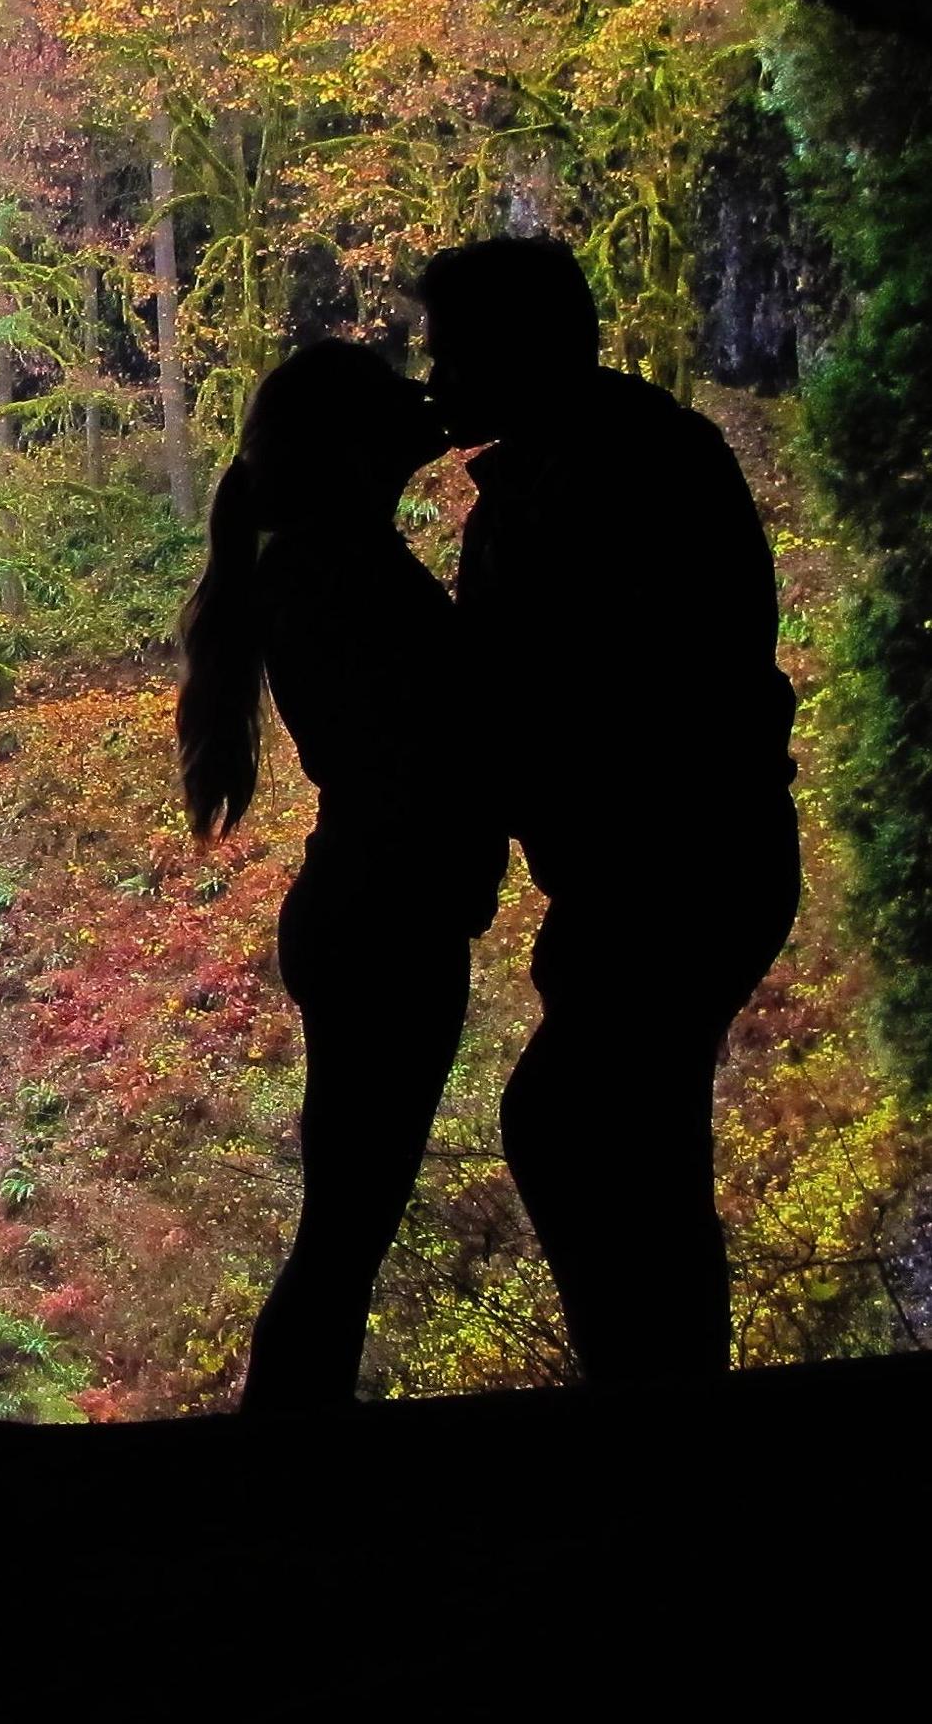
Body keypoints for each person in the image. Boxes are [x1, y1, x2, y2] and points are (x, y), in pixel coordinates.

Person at [419, 237, 799, 1383]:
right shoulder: (579, 466)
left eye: (451, 352)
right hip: (660, 864)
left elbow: (576, 681)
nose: (434, 377)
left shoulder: (615, 471)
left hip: (673, 864)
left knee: (583, 1127)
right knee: (621, 1137)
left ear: (514, 349)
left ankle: (652, 1404)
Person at [179, 340, 505, 1411]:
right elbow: (437, 732)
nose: (424, 400)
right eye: (392, 400)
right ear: (348, 442)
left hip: (361, 905)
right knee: (342, 1240)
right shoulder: (336, 567)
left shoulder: (311, 559)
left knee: (343, 1234)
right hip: (385, 916)